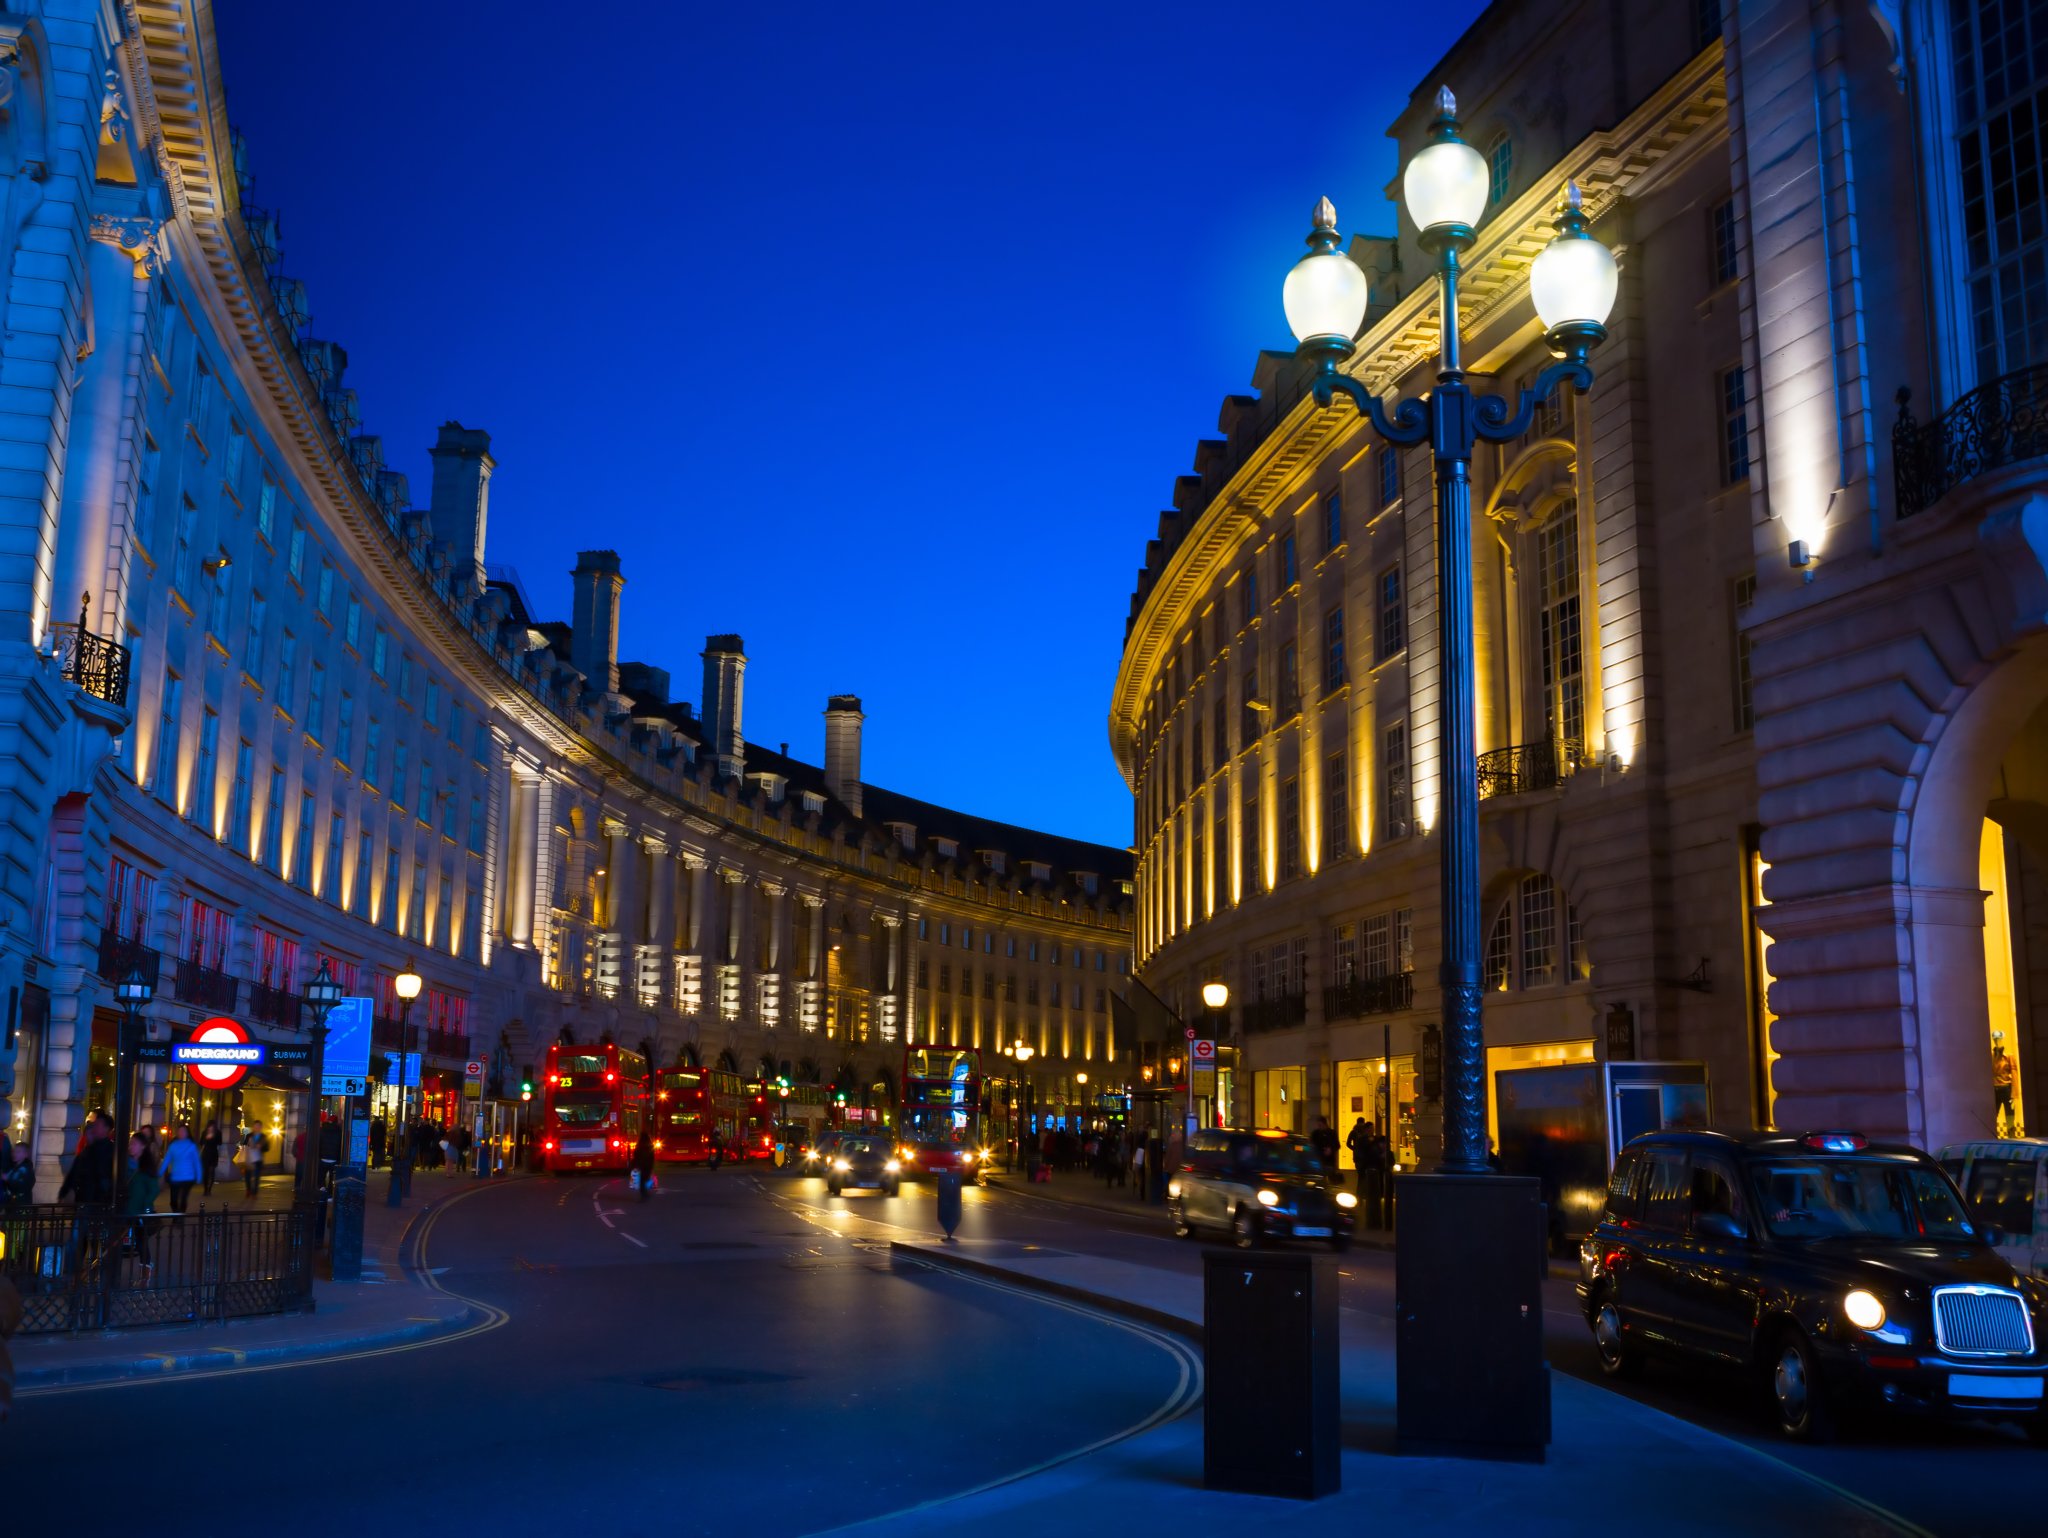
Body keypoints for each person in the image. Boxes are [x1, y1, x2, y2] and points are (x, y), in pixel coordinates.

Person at [123, 1133, 161, 1274]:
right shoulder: (127, 1163)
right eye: (130, 1143)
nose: (130, 1146)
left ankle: (145, 1272)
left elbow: (154, 1189)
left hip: (139, 1211)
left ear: (143, 1146)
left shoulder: (146, 1167)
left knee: (141, 1242)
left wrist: (145, 1205)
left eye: (134, 1143)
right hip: (127, 1208)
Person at [58, 1114, 114, 1206]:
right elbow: (75, 1172)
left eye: (98, 1125)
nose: (95, 1127)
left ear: (106, 1129)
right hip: (84, 1198)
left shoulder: (110, 1150)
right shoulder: (89, 1149)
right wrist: (64, 1191)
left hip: (97, 1202)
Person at [160, 1123, 202, 1212]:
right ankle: (176, 1215)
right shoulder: (173, 1146)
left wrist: (198, 1176)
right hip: (175, 1176)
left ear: (187, 1133)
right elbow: (167, 1159)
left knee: (183, 1199)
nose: (181, 1133)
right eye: (180, 1131)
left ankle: (180, 1216)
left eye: (183, 1131)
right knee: (173, 1200)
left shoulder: (191, 1146)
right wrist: (160, 1172)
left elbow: (196, 1162)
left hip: (188, 1177)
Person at [1992, 1046, 2017, 1136]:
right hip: (1994, 1089)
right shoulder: (1991, 1057)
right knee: (1993, 1113)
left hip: (2006, 1088)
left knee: (2010, 1113)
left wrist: (2014, 1094)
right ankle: (1992, 1134)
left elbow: (2014, 1075)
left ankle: (2011, 1134)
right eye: (1995, 1039)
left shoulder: (2009, 1057)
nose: (1997, 1041)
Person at [2, 1137, 33, 1206]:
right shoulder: (13, 1167)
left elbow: (25, 1185)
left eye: (18, 1152)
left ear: (26, 1155)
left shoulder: (26, 1169)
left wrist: (8, 1179)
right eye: (13, 1151)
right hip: (13, 1202)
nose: (14, 1154)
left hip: (22, 1203)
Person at [243, 1119, 270, 1198]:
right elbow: (244, 1145)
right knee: (247, 1177)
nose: (257, 1128)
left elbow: (267, 1148)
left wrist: (261, 1147)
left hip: (258, 1159)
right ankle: (248, 1190)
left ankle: (254, 1193)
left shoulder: (263, 1137)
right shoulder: (249, 1135)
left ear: (261, 1127)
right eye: (255, 1126)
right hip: (249, 1159)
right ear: (253, 1127)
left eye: (258, 1126)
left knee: (256, 1177)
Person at [198, 1120, 222, 1197]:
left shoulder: (218, 1133)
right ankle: (205, 1189)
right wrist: (206, 1138)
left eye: (212, 1127)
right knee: (205, 1172)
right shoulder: (204, 1132)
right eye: (209, 1126)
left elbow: (220, 1142)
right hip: (205, 1154)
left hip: (214, 1154)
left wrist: (213, 1138)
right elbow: (201, 1142)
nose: (210, 1128)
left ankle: (209, 1189)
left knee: (212, 1171)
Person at [631, 1129, 656, 1203]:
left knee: (641, 1180)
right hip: (648, 1166)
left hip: (641, 1165)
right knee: (646, 1179)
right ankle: (645, 1193)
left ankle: (643, 1194)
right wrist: (651, 1165)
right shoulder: (650, 1145)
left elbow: (635, 1155)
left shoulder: (639, 1145)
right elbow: (652, 1157)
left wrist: (635, 1164)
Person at [317, 1115, 342, 1190]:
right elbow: (340, 1145)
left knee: (321, 1176)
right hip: (334, 1159)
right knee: (332, 1177)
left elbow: (319, 1143)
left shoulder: (322, 1130)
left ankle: (322, 1189)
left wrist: (319, 1155)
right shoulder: (339, 1131)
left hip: (323, 1158)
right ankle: (330, 1192)